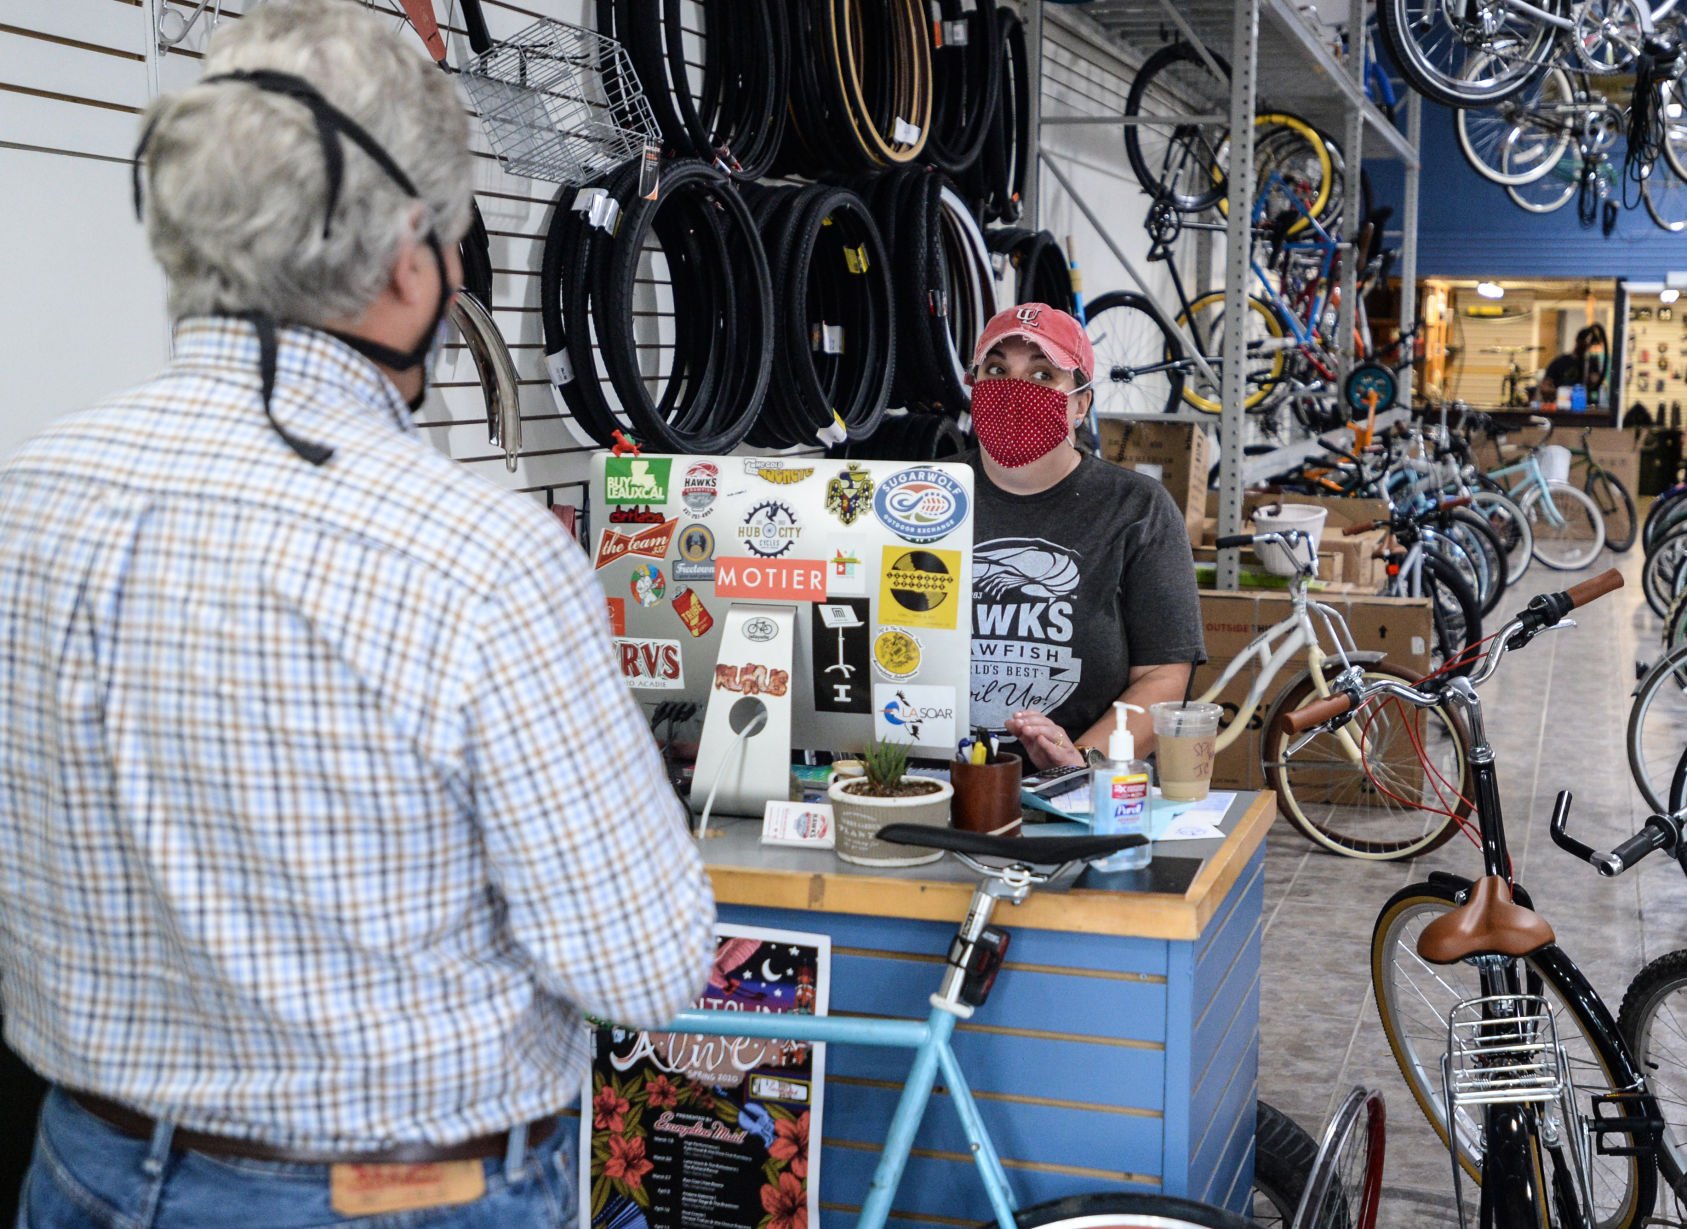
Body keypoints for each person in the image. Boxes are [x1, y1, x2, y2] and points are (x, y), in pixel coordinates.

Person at [0, 4, 715, 1226]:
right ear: (408, 260)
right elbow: (641, 964)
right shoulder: (477, 557)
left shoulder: (26, 500)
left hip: (83, 1167)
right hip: (397, 1195)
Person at [965, 303, 1206, 770]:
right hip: (934, 779)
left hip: (1084, 795)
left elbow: (1164, 676)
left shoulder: (1137, 508)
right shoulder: (923, 495)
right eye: (996, 370)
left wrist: (1081, 761)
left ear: (1080, 404)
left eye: (1042, 375)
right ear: (973, 389)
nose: (1014, 390)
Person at [1540, 324, 1608, 404]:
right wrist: (1564, 392)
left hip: (1585, 405)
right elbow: (1544, 387)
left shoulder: (1590, 362)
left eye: (1588, 346)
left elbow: (1597, 382)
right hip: (1564, 405)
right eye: (1583, 344)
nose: (1586, 348)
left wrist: (1594, 378)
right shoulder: (1559, 362)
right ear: (1577, 341)